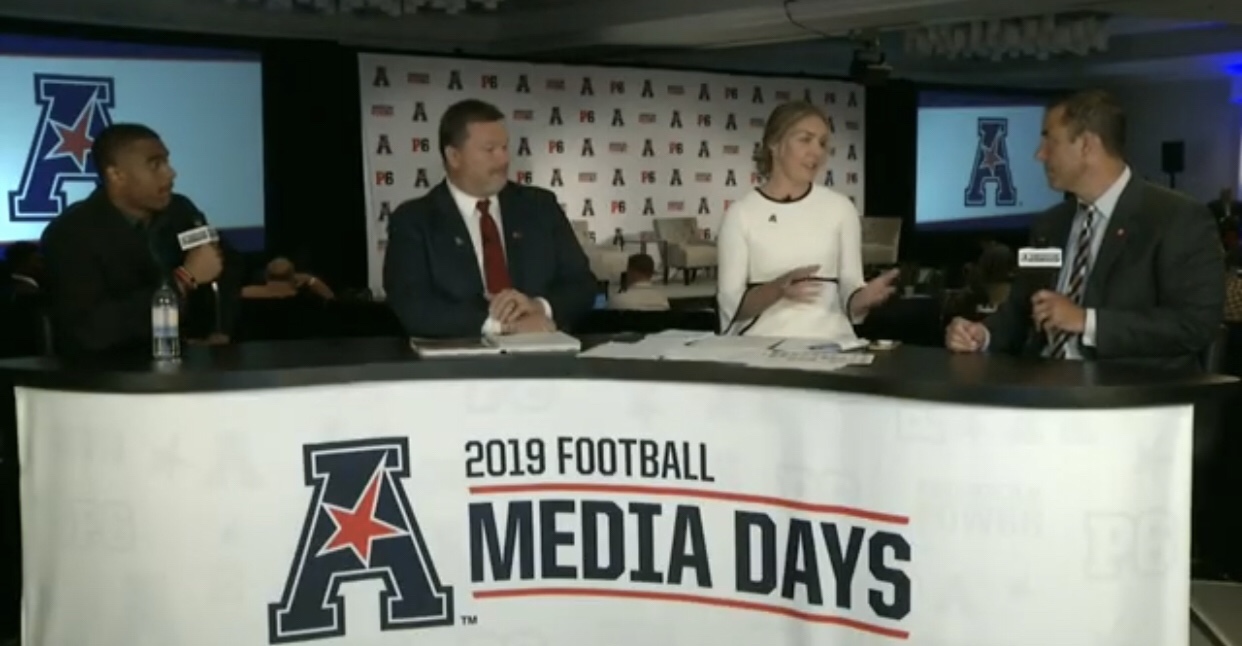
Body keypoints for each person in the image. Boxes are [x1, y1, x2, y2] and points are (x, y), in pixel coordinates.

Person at [946, 90, 1223, 370]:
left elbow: (1194, 324)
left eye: (1049, 141)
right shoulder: (1048, 225)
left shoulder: (1176, 218)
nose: (1039, 155)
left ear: (1087, 146)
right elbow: (1020, 309)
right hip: (1040, 388)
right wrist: (981, 334)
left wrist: (1086, 321)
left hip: (1130, 396)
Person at [384, 99, 597, 338]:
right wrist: (502, 326)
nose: (503, 159)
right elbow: (414, 308)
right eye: (490, 150)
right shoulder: (414, 221)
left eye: (505, 148)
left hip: (544, 361)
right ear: (454, 156)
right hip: (457, 368)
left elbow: (583, 286)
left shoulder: (540, 207)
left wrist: (539, 307)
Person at [40, 123, 240, 356]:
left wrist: (221, 330)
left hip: (187, 359)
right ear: (116, 175)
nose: (171, 173)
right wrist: (183, 279)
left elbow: (225, 266)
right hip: (110, 373)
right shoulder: (71, 233)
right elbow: (92, 329)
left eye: (167, 162)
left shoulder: (180, 212)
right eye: (156, 165)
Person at [716, 100, 898, 338]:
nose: (817, 152)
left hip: (831, 344)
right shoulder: (740, 214)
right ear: (774, 144)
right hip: (762, 346)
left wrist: (864, 299)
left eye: (822, 143)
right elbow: (731, 305)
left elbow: (850, 296)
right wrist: (777, 289)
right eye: (805, 139)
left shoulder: (840, 208)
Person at [242, 257, 334, 300]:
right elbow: (332, 301)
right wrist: (311, 279)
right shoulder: (305, 300)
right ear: (293, 277)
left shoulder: (246, 294)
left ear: (266, 276)